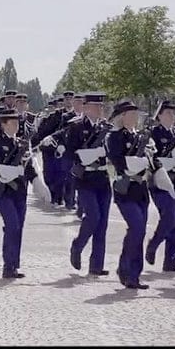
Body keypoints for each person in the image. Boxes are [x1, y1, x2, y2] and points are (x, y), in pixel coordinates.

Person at [0, 109, 38, 278]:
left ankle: (14, 264)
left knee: (18, 227)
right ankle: (8, 266)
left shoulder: (22, 143)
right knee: (12, 224)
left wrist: (37, 181)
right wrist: (15, 170)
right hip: (3, 191)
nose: (16, 125)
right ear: (3, 124)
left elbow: (28, 167)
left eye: (17, 122)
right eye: (13, 122)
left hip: (20, 191)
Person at [106, 100, 151, 289]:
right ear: (121, 116)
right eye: (130, 114)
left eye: (136, 115)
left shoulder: (141, 137)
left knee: (138, 232)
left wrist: (149, 157)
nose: (134, 118)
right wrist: (139, 162)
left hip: (141, 189)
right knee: (137, 228)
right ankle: (129, 272)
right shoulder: (114, 137)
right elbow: (119, 161)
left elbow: (151, 161)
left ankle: (131, 273)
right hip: (124, 189)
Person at [67, 92, 112, 275]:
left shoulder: (107, 128)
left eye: (101, 106)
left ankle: (96, 265)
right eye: (96, 106)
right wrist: (88, 155)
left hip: (102, 178)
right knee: (93, 216)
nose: (100, 109)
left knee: (103, 224)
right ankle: (78, 246)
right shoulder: (77, 127)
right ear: (86, 108)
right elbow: (71, 153)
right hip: (85, 179)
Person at [145, 100, 175, 272]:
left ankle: (171, 260)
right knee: (170, 217)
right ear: (159, 115)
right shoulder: (153, 134)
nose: (171, 116)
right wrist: (170, 162)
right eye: (168, 113)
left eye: (173, 113)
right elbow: (152, 158)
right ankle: (153, 245)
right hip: (160, 181)